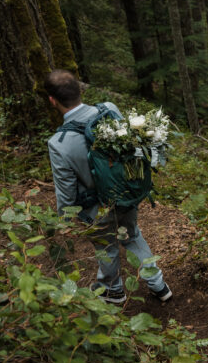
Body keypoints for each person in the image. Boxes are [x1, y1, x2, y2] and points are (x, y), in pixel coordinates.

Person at [44, 69, 172, 305]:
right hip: (125, 195)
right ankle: (159, 286)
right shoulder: (109, 109)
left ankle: (113, 290)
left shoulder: (58, 144)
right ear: (80, 90)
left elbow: (66, 189)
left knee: (106, 245)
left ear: (52, 100)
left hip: (95, 207)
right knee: (132, 236)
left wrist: (65, 219)